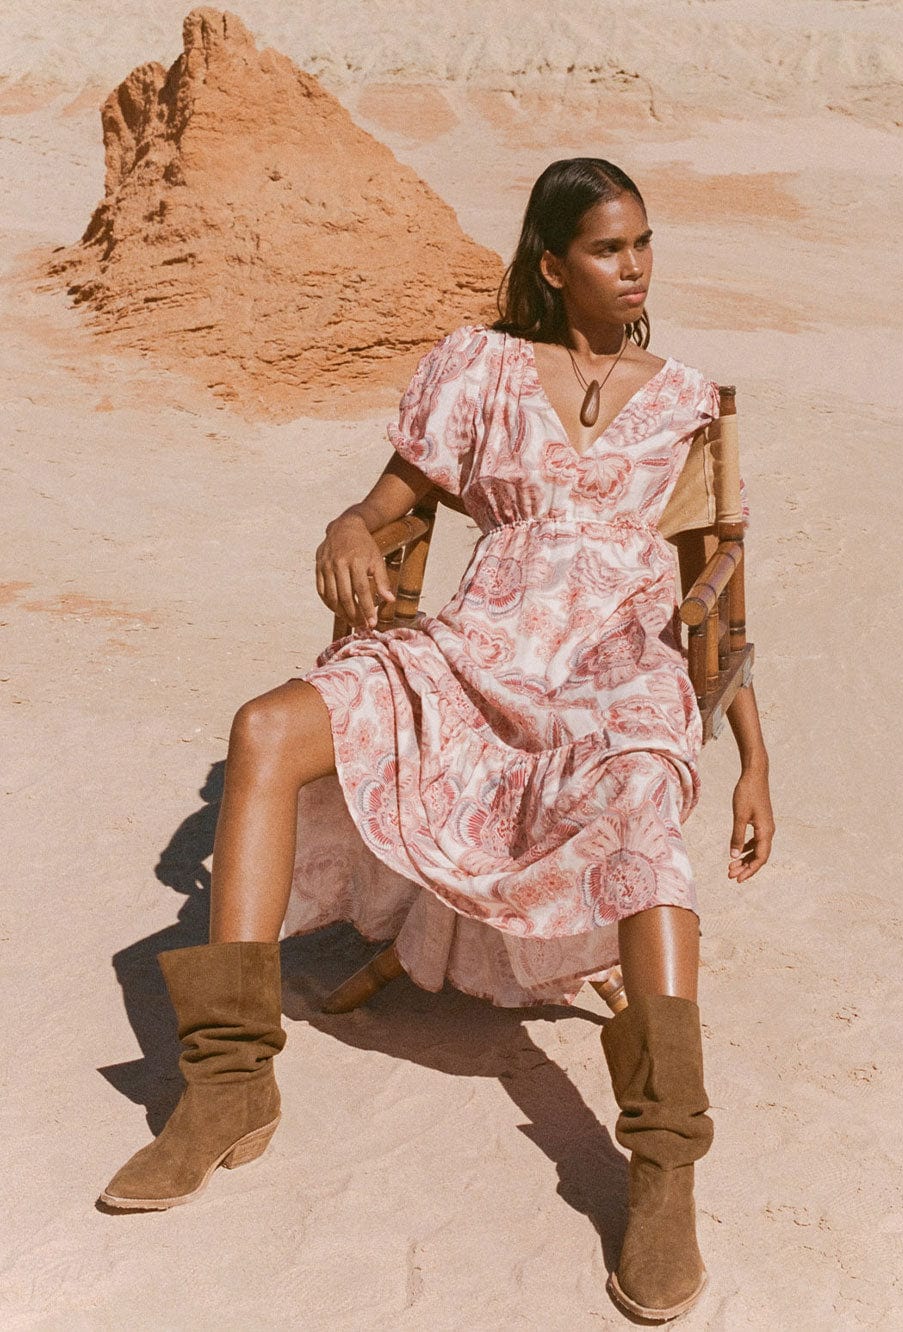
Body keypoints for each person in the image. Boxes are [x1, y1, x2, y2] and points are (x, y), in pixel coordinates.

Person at [101, 158, 774, 1322]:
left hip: (612, 667)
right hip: (479, 645)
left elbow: (716, 589)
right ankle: (227, 1085)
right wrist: (344, 526)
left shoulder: (683, 400)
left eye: (645, 244)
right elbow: (389, 499)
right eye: (610, 250)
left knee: (641, 795)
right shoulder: (482, 368)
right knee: (267, 726)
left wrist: (753, 750)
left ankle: (663, 1161)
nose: (636, 269)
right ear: (553, 265)